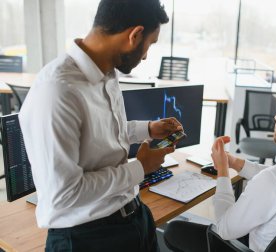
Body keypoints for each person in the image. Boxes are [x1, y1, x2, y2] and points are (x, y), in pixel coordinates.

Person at [19, 0, 178, 251]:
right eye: (150, 44)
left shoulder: (108, 73)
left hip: (134, 218)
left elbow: (98, 138)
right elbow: (64, 194)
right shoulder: (57, 91)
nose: (146, 55)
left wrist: (147, 129)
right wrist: (141, 168)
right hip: (88, 239)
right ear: (134, 35)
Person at [164, 84, 276, 252]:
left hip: (250, 247)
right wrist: (234, 163)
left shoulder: (274, 181)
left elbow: (224, 229)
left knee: (174, 230)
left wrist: (223, 171)